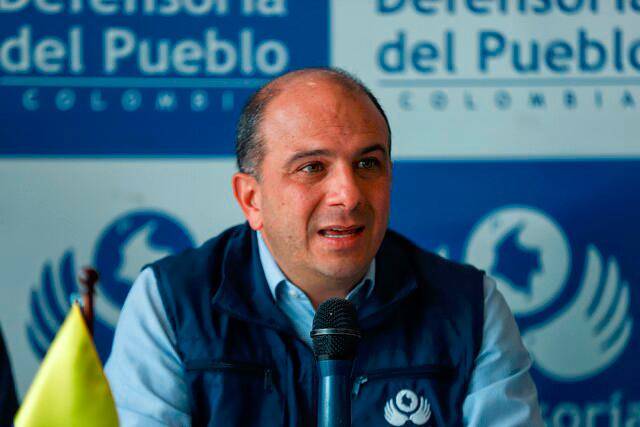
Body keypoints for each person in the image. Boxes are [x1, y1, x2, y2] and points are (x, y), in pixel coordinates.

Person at [105, 68, 544, 426]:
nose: (348, 196)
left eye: (367, 164)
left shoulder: (469, 307)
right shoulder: (171, 302)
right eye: (312, 167)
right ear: (251, 199)